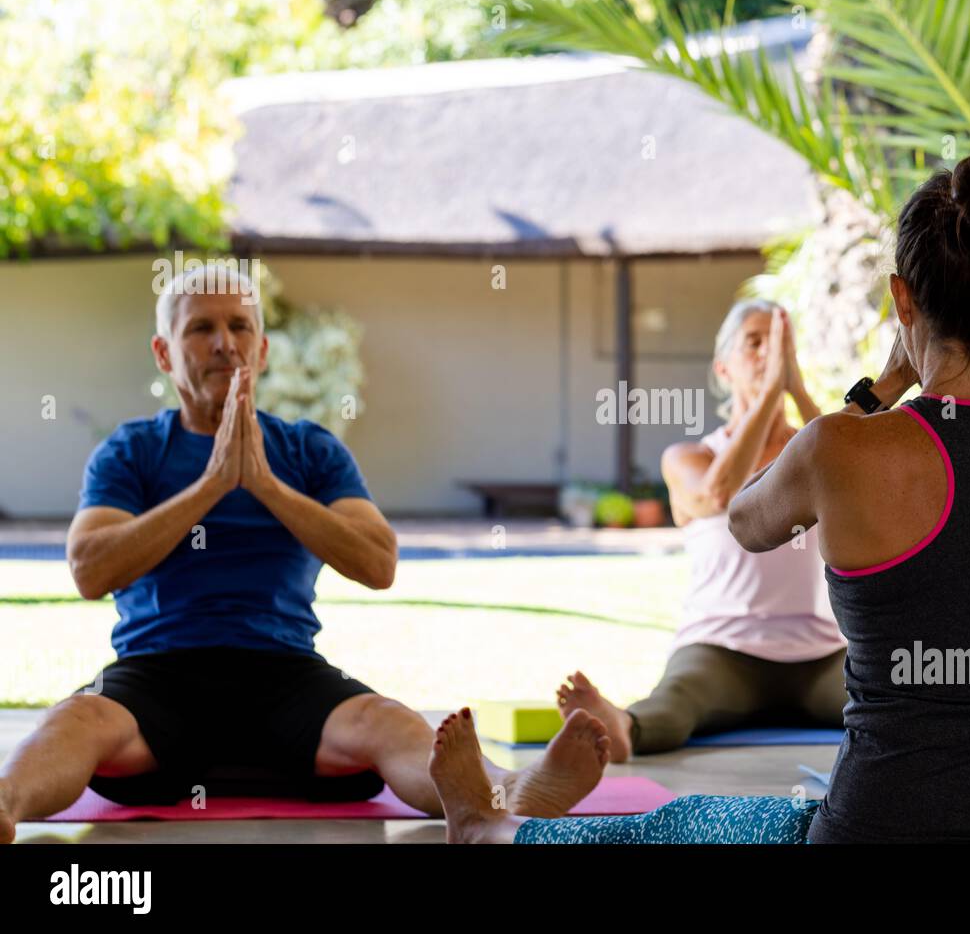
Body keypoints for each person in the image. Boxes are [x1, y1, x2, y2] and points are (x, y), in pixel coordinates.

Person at [431, 154, 970, 843]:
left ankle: (487, 829)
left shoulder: (838, 445)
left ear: (901, 299)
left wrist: (881, 388)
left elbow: (746, 517)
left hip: (877, 826)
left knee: (683, 824)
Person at [0, 265, 609, 844]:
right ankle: (4, 804)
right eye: (201, 328)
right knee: (74, 720)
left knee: (386, 719)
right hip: (156, 673)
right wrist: (210, 485)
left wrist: (264, 484)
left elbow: (379, 563)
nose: (224, 344)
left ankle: (502, 795)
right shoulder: (130, 452)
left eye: (241, 327)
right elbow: (89, 568)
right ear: (164, 354)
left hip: (285, 671)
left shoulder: (308, 451)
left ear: (262, 350)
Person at [555, 299, 846, 760]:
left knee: (884, 701)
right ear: (723, 368)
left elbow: (856, 474)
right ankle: (622, 727)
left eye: (778, 344)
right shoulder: (690, 458)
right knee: (673, 705)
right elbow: (720, 495)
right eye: (754, 342)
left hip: (819, 653)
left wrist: (798, 391)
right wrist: (771, 392)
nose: (767, 354)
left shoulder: (813, 447)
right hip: (721, 646)